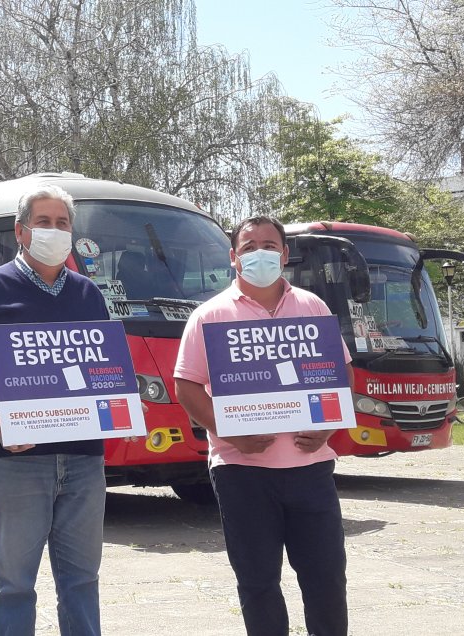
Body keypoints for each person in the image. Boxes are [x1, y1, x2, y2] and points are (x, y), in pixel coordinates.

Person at [0, 185, 110, 636]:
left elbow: (105, 369)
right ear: (21, 231)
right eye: (44, 222)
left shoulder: (89, 295)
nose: (53, 231)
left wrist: (120, 408)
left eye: (62, 223)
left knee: (82, 581)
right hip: (16, 461)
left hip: (82, 460)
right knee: (15, 583)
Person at [173, 216, 350, 636]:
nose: (260, 253)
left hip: (311, 469)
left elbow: (340, 371)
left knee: (326, 580)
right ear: (234, 258)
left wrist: (328, 423)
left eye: (269, 245)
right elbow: (186, 385)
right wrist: (226, 431)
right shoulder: (208, 314)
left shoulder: (313, 307)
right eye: (249, 246)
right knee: (257, 584)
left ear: (285, 255)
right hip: (241, 473)